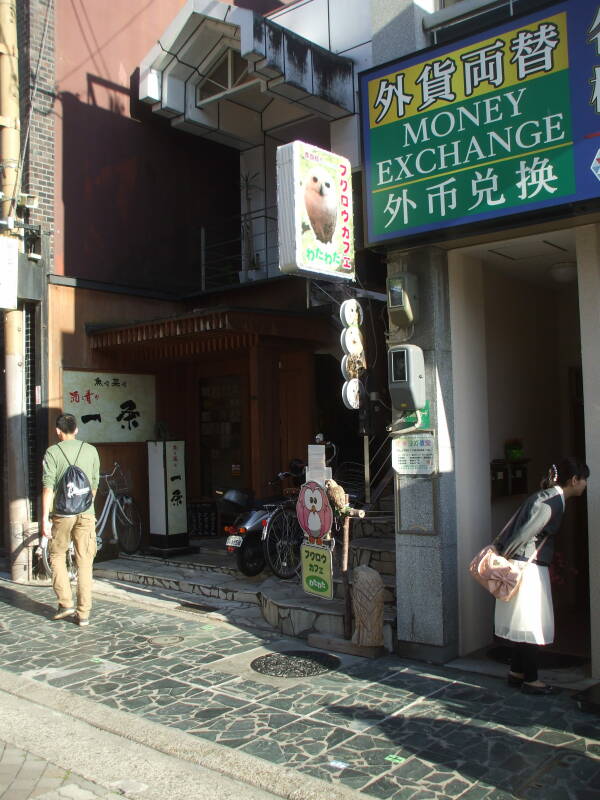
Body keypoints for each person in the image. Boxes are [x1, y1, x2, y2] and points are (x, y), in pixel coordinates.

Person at [494, 457, 589, 695]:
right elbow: (525, 533)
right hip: (528, 567)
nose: (585, 484)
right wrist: (506, 558)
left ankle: (517, 672)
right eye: (584, 479)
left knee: (523, 621)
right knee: (531, 622)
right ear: (574, 480)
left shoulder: (548, 497)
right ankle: (531, 679)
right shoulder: (551, 501)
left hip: (525, 564)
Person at [42, 413, 100, 626]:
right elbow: (94, 484)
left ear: (58, 431)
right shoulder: (91, 450)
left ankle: (65, 602)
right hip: (86, 512)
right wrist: (85, 506)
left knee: (56, 555)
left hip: (62, 513)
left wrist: (44, 519)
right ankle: (83, 613)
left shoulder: (52, 452)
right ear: (76, 429)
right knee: (84, 560)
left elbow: (48, 488)